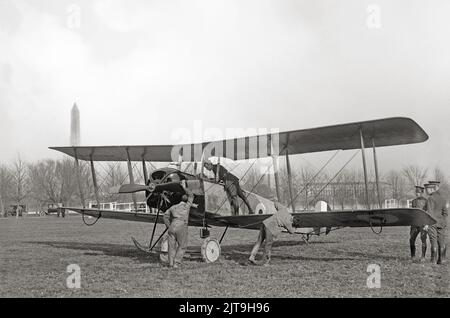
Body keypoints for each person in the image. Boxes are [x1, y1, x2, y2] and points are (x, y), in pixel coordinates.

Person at [248, 199, 295, 265]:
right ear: (292, 221)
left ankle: (252, 256)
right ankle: (264, 261)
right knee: (268, 244)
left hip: (265, 223)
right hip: (270, 228)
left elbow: (276, 204)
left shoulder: (284, 210)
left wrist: (278, 204)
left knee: (259, 241)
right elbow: (291, 232)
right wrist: (294, 228)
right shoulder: (288, 223)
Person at [163, 180, 194, 268]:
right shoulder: (186, 206)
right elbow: (191, 195)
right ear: (186, 200)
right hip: (182, 225)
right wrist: (184, 187)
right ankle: (176, 263)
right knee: (182, 245)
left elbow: (165, 216)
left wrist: (168, 227)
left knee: (171, 246)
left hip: (172, 226)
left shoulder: (173, 207)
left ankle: (171, 263)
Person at [424, 181, 448, 264]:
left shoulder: (430, 198)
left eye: (427, 189)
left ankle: (433, 261)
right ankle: (442, 260)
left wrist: (427, 224)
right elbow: (445, 213)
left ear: (431, 189)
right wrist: (442, 221)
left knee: (433, 241)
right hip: (442, 223)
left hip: (432, 223)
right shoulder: (443, 198)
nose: (426, 191)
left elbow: (429, 212)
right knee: (441, 241)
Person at [409, 186, 429, 261]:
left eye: (419, 192)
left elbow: (427, 213)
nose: (417, 194)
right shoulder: (413, 201)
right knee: (411, 239)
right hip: (414, 223)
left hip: (423, 223)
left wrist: (426, 223)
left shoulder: (426, 201)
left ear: (422, 193)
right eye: (416, 192)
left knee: (423, 239)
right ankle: (413, 256)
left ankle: (423, 257)